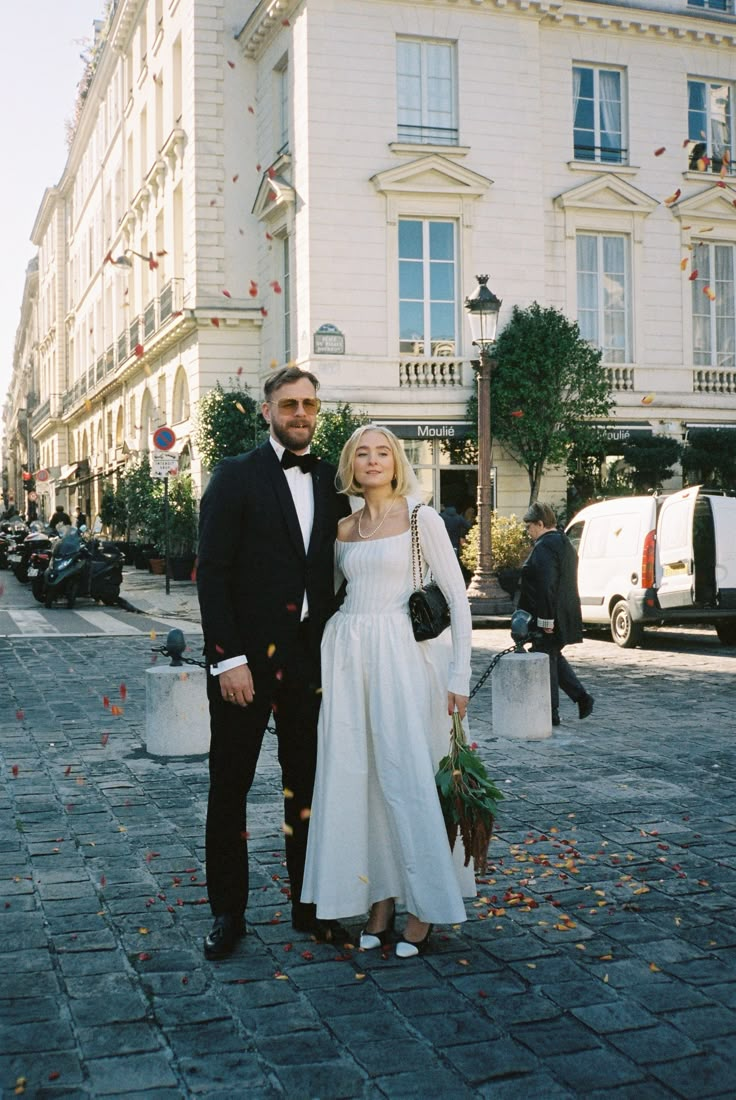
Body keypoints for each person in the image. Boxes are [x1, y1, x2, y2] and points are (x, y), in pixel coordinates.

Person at [301, 426, 475, 958]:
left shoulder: (423, 520)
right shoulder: (344, 527)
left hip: (405, 656)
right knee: (362, 779)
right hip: (349, 657)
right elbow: (324, 596)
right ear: (350, 466)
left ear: (397, 463)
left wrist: (460, 676)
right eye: (362, 454)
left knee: (409, 775)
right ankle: (381, 900)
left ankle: (425, 906)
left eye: (382, 453)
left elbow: (458, 600)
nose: (372, 461)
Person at [196, 367, 350, 960]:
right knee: (229, 788)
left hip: (310, 662)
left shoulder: (333, 479)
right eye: (289, 404)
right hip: (244, 665)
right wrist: (227, 659)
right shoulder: (235, 476)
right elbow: (211, 574)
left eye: (309, 403)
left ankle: (308, 906)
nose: (300, 413)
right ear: (268, 412)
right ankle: (227, 912)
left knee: (305, 788)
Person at [518, 501, 594, 727]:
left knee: (546, 661)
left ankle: (552, 712)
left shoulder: (545, 546)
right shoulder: (563, 542)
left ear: (540, 524)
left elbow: (546, 584)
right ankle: (581, 698)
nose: (528, 532)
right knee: (551, 657)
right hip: (563, 612)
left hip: (549, 615)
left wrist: (546, 619)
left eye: (529, 526)